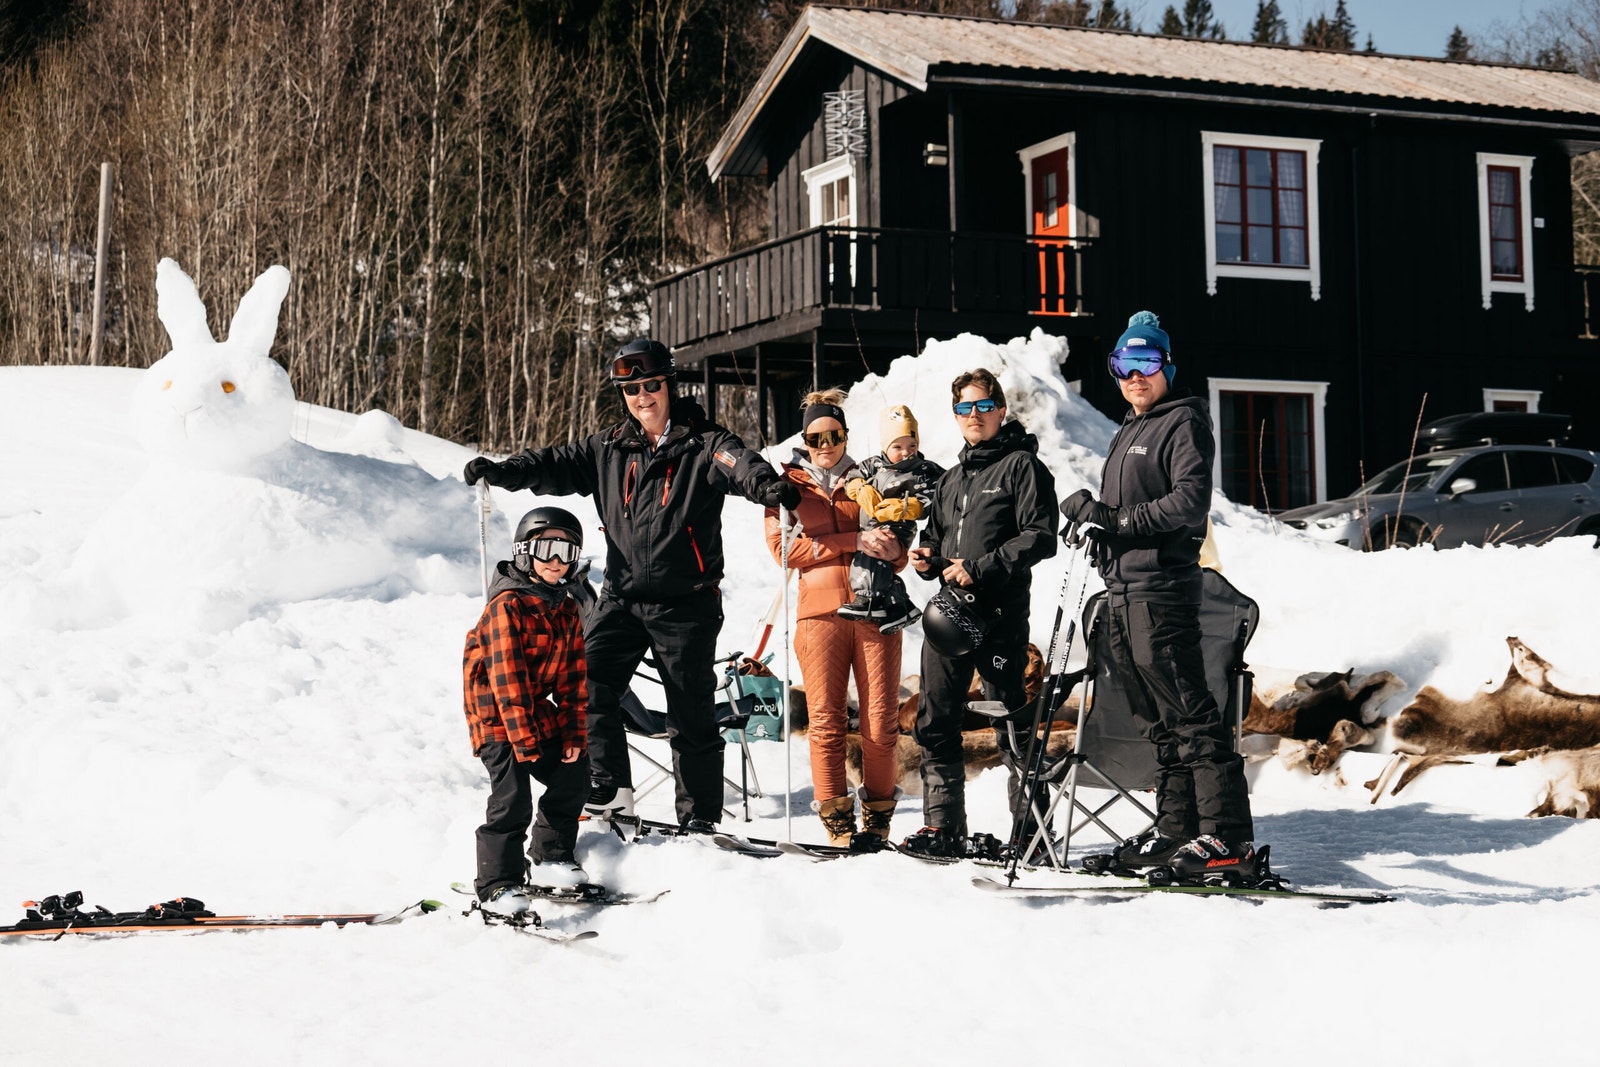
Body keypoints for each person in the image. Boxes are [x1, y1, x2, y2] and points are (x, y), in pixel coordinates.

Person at [463, 339, 799, 831]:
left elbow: (740, 463)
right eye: (631, 389)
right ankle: (612, 790)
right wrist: (504, 471)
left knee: (692, 716)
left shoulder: (703, 442)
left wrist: (767, 485)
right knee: (589, 684)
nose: (642, 397)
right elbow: (552, 463)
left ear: (668, 385)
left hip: (686, 603)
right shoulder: (609, 447)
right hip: (621, 599)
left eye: (650, 386)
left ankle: (700, 820)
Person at [1059, 310, 1259, 881]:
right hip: (1123, 593)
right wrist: (1100, 529)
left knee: (1193, 717)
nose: (1134, 375)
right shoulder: (1130, 429)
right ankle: (1177, 833)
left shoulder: (1183, 424)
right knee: (1160, 724)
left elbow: (1188, 504)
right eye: (1124, 364)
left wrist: (1114, 519)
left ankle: (1227, 841)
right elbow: (1128, 517)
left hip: (1161, 594)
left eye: (1146, 363)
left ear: (1168, 366)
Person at [902, 369, 1058, 858]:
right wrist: (926, 557)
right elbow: (937, 539)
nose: (975, 416)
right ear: (956, 416)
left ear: (1000, 411)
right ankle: (943, 828)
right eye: (965, 409)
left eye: (983, 406)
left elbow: (1040, 535)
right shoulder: (951, 480)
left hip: (999, 618)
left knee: (1011, 721)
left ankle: (1032, 835)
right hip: (949, 619)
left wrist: (983, 568)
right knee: (936, 718)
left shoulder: (1021, 467)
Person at [767, 390, 908, 848]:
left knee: (880, 722)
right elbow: (784, 551)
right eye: (815, 437)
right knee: (826, 722)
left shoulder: (873, 477)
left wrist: (896, 552)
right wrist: (852, 541)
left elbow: (895, 543)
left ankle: (880, 821)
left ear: (846, 434)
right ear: (804, 439)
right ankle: (838, 826)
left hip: (874, 609)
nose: (825, 443)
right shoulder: (786, 485)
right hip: (818, 616)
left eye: (834, 434)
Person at [462, 507, 591, 917]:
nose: (557, 561)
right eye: (547, 549)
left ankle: (550, 856)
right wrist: (524, 741)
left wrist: (572, 736)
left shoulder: (566, 608)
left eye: (567, 552)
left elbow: (572, 680)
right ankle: (498, 884)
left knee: (575, 771)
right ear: (523, 551)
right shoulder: (506, 606)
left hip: (533, 714)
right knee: (513, 797)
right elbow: (507, 680)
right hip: (497, 719)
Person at [839, 403, 944, 635]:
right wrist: (859, 489)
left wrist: (910, 507)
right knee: (876, 558)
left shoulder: (924, 470)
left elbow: (943, 491)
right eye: (897, 446)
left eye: (912, 445)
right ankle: (899, 606)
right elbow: (852, 477)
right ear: (885, 445)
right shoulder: (873, 464)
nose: (906, 452)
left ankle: (867, 599)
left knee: (869, 555)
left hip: (899, 527)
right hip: (870, 523)